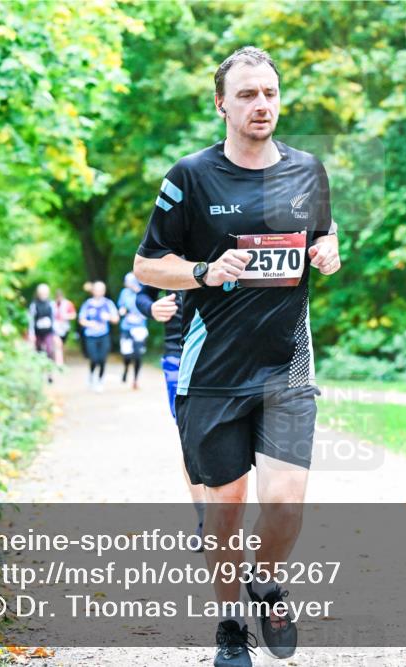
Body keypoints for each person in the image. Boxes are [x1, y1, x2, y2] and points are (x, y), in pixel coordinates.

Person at [133, 46, 340, 667]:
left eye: (270, 94)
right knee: (222, 518)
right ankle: (230, 629)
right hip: (213, 375)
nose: (261, 105)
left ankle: (268, 581)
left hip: (286, 370)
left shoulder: (309, 171)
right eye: (247, 94)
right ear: (221, 103)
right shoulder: (190, 177)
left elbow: (321, 234)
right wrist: (202, 269)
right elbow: (147, 264)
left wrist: (329, 250)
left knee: (284, 507)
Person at [135, 286, 207, 549]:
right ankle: (204, 519)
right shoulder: (168, 248)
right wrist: (152, 308)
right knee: (190, 439)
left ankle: (226, 515)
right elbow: (142, 294)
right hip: (178, 356)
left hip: (225, 353)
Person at [77, 280, 119, 392]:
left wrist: (108, 317)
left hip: (104, 335)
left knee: (102, 359)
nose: (99, 292)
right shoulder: (88, 304)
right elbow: (81, 320)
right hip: (91, 336)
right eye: (97, 290)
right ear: (93, 291)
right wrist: (90, 324)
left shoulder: (108, 304)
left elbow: (116, 319)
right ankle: (91, 376)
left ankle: (100, 381)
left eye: (102, 290)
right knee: (94, 359)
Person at [117, 272, 149, 389]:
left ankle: (135, 379)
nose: (127, 284)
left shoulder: (143, 292)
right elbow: (121, 306)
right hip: (126, 327)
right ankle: (126, 369)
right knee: (127, 355)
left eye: (129, 282)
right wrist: (122, 310)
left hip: (139, 327)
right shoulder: (124, 293)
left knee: (138, 355)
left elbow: (148, 308)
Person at [27, 283, 57, 382]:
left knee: (49, 350)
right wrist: (31, 334)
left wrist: (56, 333)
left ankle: (50, 373)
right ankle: (39, 373)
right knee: (38, 352)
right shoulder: (34, 304)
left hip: (49, 331)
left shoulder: (51, 304)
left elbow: (54, 318)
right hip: (37, 332)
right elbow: (31, 320)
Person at [52, 288, 76, 366]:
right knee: (57, 343)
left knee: (63, 344)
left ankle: (62, 359)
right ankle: (58, 361)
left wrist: (65, 316)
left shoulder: (68, 304)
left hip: (64, 328)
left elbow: (73, 315)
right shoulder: (52, 304)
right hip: (55, 328)